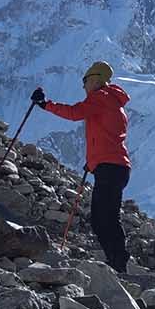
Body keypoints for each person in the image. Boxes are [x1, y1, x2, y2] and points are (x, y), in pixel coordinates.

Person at [33, 61, 131, 272]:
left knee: (102, 218)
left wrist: (45, 104)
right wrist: (94, 161)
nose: (84, 87)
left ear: (95, 80)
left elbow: (74, 113)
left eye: (85, 81)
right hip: (115, 166)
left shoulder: (102, 97)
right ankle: (117, 260)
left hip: (110, 167)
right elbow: (106, 136)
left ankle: (118, 262)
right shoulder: (114, 104)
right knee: (106, 216)